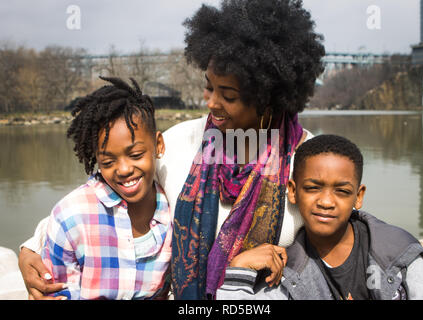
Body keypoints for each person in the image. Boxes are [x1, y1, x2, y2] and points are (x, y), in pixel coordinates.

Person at [18, 0, 325, 300]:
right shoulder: (182, 141)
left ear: (267, 98)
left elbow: (344, 227)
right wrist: (32, 246)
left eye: (227, 95)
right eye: (209, 86)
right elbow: (102, 194)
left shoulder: (308, 159)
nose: (211, 103)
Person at [216, 135, 423, 300]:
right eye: (313, 188)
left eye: (342, 191)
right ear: (293, 191)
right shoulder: (287, 270)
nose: (326, 201)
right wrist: (239, 267)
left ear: (358, 196)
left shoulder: (395, 251)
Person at [38, 76, 172, 299]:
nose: (124, 169)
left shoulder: (174, 208)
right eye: (108, 162)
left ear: (158, 145)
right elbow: (57, 292)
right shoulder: (71, 217)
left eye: (136, 155)